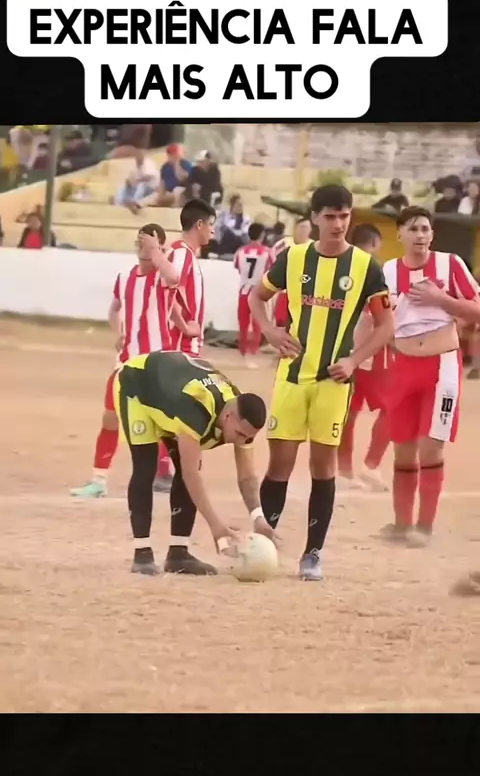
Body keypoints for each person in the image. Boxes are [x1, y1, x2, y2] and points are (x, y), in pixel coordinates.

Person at [249, 185, 394, 580]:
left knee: (322, 466)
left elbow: (386, 325)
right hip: (292, 376)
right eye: (330, 216)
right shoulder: (293, 258)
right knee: (279, 464)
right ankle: (261, 547)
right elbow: (256, 297)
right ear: (314, 218)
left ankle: (312, 554)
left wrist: (354, 359)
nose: (338, 223)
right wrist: (270, 331)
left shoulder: (366, 267)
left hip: (333, 382)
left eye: (344, 216)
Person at [113, 350, 274, 575]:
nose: (242, 441)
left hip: (171, 393)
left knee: (186, 465)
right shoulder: (196, 410)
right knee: (146, 466)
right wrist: (216, 526)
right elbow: (191, 474)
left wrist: (258, 517)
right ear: (228, 416)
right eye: (239, 434)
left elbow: (247, 476)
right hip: (139, 385)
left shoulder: (241, 417)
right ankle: (142, 554)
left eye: (248, 438)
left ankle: (178, 554)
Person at [380, 206, 480, 547]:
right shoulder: (388, 271)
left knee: (430, 448)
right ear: (400, 234)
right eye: (413, 229)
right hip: (402, 366)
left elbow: (476, 309)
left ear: (432, 234)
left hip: (441, 367)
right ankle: (401, 525)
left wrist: (442, 299)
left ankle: (424, 527)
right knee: (403, 450)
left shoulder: (450, 265)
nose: (420, 235)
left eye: (425, 229)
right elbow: (375, 317)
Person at [70, 224, 183, 500]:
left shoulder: (162, 277)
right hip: (126, 361)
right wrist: (118, 330)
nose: (143, 249)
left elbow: (174, 276)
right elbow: (114, 308)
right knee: (110, 418)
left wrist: (157, 252)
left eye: (149, 244)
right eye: (141, 243)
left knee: (163, 422)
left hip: (157, 362)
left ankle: (172, 474)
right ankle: (98, 480)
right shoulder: (124, 278)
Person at [153, 198, 216, 493]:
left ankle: (171, 469)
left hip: (187, 343)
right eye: (211, 225)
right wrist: (183, 325)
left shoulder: (187, 255)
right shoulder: (181, 254)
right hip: (180, 344)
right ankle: (167, 470)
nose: (213, 231)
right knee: (181, 408)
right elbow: (168, 290)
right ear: (199, 224)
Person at [337, 224, 392, 491]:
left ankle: (344, 470)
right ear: (375, 243)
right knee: (392, 408)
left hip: (343, 350)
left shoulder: (339, 266)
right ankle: (370, 465)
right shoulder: (374, 270)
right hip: (368, 351)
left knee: (348, 411)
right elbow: (376, 316)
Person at [233, 223, 272, 368]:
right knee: (258, 324)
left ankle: (243, 354)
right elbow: (271, 269)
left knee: (243, 324)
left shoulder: (240, 251)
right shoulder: (267, 252)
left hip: (244, 291)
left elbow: (238, 267)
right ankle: (253, 353)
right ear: (262, 235)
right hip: (258, 292)